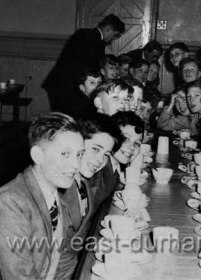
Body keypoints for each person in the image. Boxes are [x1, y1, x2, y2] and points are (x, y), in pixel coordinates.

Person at [0, 112, 85, 279]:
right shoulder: (10, 202)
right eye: (65, 154)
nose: (76, 165)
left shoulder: (57, 193)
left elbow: (63, 259)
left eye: (79, 154)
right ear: (38, 155)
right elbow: (19, 276)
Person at [42, 14, 125, 112]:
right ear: (108, 29)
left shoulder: (87, 35)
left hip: (66, 85)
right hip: (65, 86)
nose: (113, 39)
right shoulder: (91, 39)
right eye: (114, 35)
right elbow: (87, 68)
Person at [63, 113, 123, 248]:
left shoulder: (81, 181)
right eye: (95, 149)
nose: (100, 160)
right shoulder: (61, 188)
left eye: (106, 154)